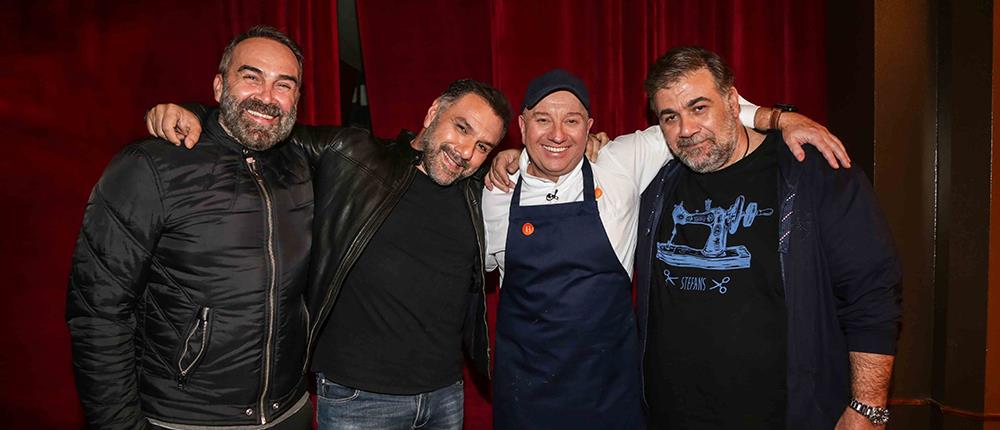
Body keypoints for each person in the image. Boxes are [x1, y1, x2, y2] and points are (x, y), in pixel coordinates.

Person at [481, 69, 850, 429]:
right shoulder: (497, 191)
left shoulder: (619, 163)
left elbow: (701, 117)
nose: (558, 134)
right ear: (522, 125)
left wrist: (781, 119)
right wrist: (510, 158)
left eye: (572, 121)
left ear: (589, 126)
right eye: (543, 120)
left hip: (608, 393)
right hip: (527, 395)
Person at [144, 82, 511, 430]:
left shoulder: (478, 194)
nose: (466, 152)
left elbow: (534, 173)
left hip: (445, 396)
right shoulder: (354, 154)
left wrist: (513, 159)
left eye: (483, 146)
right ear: (433, 113)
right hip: (359, 399)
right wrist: (197, 114)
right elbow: (262, 130)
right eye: (461, 128)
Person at [634, 46, 900, 429]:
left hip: (783, 417)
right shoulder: (656, 184)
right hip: (670, 417)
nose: (686, 130)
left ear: (732, 101)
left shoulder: (814, 174)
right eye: (670, 117)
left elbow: (873, 294)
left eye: (699, 108)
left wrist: (867, 407)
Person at [67, 26, 317, 429]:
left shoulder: (301, 166)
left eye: (283, 85)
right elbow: (98, 312)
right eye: (251, 77)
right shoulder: (151, 166)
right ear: (219, 86)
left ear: (297, 99)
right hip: (187, 418)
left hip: (289, 411)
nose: (267, 97)